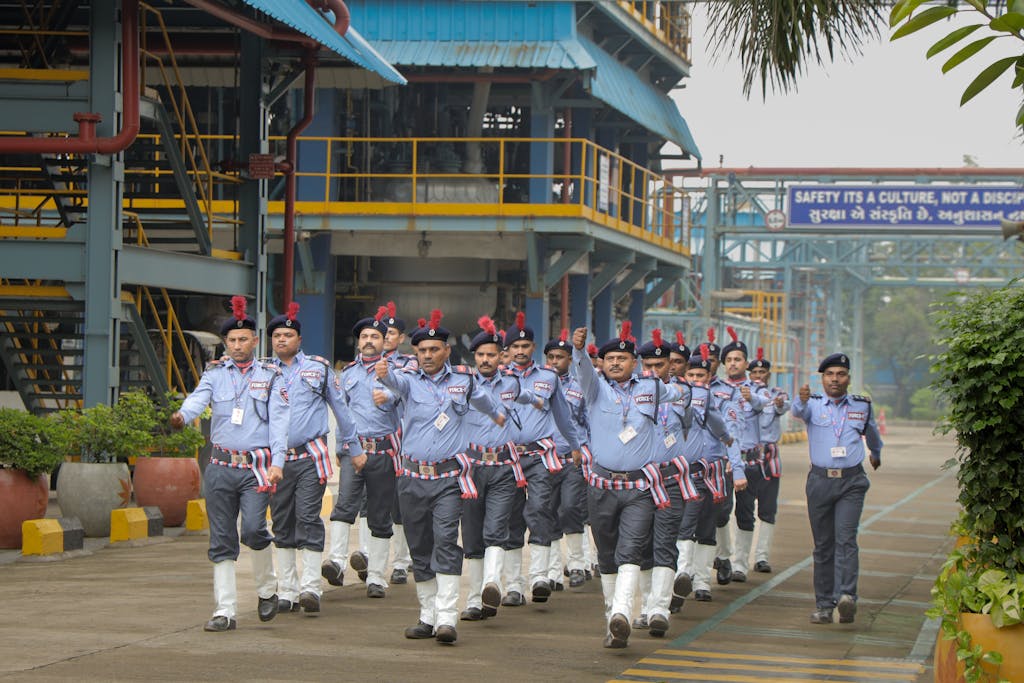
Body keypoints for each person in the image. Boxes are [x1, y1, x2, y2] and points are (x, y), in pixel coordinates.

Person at [376, 310, 507, 644]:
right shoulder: (407, 380)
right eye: (422, 350)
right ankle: (427, 615)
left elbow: (487, 403)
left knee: (446, 542)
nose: (428, 355)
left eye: (434, 349)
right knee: (420, 546)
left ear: (447, 351)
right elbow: (392, 382)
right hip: (412, 478)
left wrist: (498, 415)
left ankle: (448, 618)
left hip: (450, 479)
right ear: (415, 353)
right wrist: (383, 373)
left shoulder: (463, 382)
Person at [170, 296, 288, 632]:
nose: (237, 346)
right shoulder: (215, 374)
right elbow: (197, 399)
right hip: (220, 466)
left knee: (253, 529)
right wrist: (182, 414)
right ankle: (225, 611)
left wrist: (278, 461)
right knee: (221, 538)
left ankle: (267, 590)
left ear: (254, 341)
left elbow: (280, 421)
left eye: (243, 340)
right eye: (232, 341)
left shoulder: (271, 375)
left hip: (256, 469)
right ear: (226, 343)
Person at [570, 322, 686, 649]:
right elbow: (582, 370)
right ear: (602, 364)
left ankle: (623, 611)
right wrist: (578, 349)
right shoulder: (595, 388)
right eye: (610, 359)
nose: (616, 363)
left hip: (640, 488)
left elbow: (681, 392)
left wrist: (689, 392)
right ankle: (612, 616)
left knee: (631, 550)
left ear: (634, 362)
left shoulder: (651, 388)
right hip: (602, 485)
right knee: (606, 553)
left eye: (622, 358)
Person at [265, 303, 362, 616]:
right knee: (281, 521)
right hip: (277, 460)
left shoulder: (318, 369)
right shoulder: (263, 372)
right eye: (277, 335)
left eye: (288, 335)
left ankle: (309, 587)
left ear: (299, 339)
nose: (282, 340)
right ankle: (287, 590)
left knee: (307, 517)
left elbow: (341, 410)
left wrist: (355, 447)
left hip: (311, 456)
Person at [791, 352, 882, 625]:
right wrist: (801, 399)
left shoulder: (861, 406)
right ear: (822, 379)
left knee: (846, 539)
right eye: (830, 374)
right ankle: (824, 605)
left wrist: (876, 453)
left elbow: (872, 432)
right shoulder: (812, 405)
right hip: (820, 481)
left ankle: (846, 597)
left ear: (848, 378)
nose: (835, 379)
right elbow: (796, 411)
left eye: (840, 374)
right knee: (823, 546)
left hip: (851, 482)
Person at [459, 316, 536, 621]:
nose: (486, 360)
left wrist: (540, 402)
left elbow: (527, 397)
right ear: (474, 357)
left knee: (496, 528)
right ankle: (476, 599)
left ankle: (492, 583)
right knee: (473, 535)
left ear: (501, 356)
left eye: (491, 354)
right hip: (472, 467)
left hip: (504, 466)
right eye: (480, 355)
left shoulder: (512, 384)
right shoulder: (462, 384)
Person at [502, 312, 581, 605]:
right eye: (515, 347)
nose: (520, 351)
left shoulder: (548, 378)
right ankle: (513, 586)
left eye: (525, 346)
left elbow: (562, 414)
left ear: (533, 348)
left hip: (540, 456)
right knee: (510, 518)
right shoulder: (499, 378)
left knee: (539, 511)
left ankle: (539, 578)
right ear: (507, 351)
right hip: (507, 458)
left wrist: (575, 445)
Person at [323, 307, 402, 598]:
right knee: (344, 507)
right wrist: (339, 448)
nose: (369, 340)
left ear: (385, 342)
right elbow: (340, 412)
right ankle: (336, 563)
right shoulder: (346, 375)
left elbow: (407, 397)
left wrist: (390, 393)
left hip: (383, 452)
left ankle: (377, 578)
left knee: (380, 516)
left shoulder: (395, 373)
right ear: (358, 342)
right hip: (352, 451)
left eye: (375, 336)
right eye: (365, 336)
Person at [633, 329, 696, 638]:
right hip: (639, 479)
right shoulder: (630, 394)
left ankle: (660, 607)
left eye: (659, 366)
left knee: (665, 542)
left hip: (670, 478)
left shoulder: (683, 394)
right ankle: (645, 606)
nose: (653, 372)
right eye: (648, 366)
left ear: (672, 366)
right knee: (641, 545)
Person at [674, 345, 745, 605]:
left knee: (707, 527)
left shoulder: (722, 397)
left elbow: (730, 434)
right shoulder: (675, 395)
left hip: (714, 470)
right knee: (684, 524)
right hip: (684, 471)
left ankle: (702, 580)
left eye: (700, 376)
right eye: (691, 376)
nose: (695, 381)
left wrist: (736, 469)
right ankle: (682, 574)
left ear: (709, 375)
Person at [719, 327, 771, 583]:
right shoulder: (717, 388)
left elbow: (766, 404)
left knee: (745, 512)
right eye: (728, 360)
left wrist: (752, 399)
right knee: (720, 511)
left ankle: (740, 563)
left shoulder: (756, 389)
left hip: (749, 459)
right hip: (724, 461)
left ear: (746, 363)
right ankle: (724, 557)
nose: (732, 363)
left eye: (737, 359)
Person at [543, 329, 590, 591]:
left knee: (571, 508)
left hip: (572, 458)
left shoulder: (580, 388)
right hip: (546, 459)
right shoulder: (539, 385)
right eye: (550, 357)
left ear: (569, 360)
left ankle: (576, 565)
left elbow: (589, 423)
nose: (554, 361)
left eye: (560, 357)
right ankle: (551, 573)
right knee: (546, 513)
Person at [747, 348, 789, 573]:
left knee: (768, 510)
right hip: (748, 458)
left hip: (770, 460)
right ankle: (738, 558)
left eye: (762, 372)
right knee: (742, 510)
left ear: (768, 375)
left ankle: (762, 556)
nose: (758, 376)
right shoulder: (741, 394)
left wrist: (780, 403)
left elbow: (784, 406)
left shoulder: (777, 394)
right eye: (754, 371)